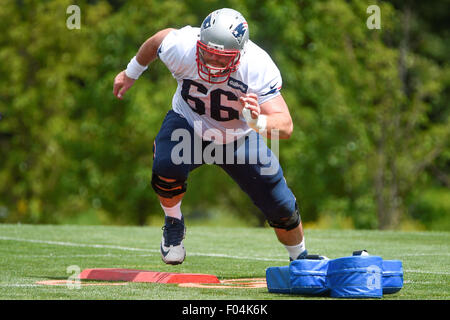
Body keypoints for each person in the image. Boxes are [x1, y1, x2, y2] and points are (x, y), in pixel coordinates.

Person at [113, 8, 310, 265]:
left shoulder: (257, 66)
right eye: (208, 54)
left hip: (238, 136)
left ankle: (301, 261)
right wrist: (131, 72)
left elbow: (285, 126)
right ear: (199, 44)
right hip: (190, 123)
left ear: (240, 53)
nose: (212, 63)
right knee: (165, 168)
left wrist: (255, 120)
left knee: (281, 205)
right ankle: (174, 221)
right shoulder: (182, 46)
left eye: (222, 58)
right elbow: (157, 40)